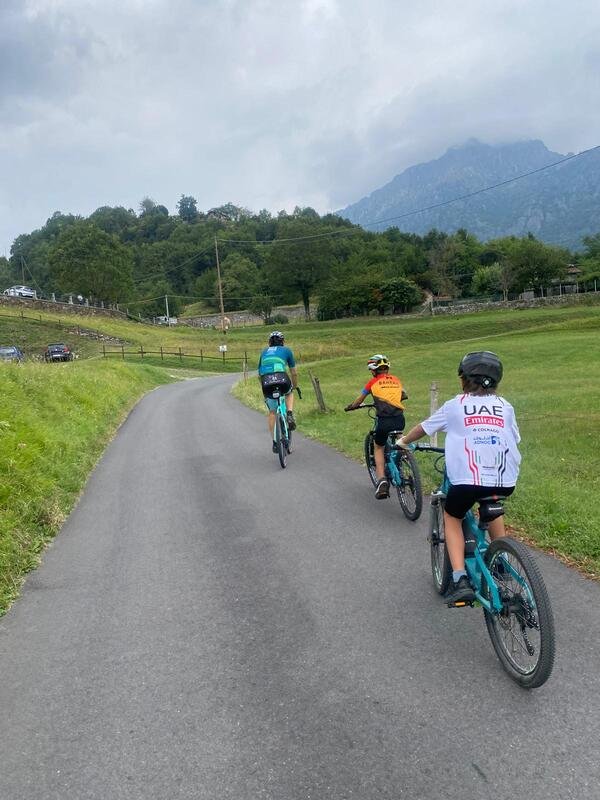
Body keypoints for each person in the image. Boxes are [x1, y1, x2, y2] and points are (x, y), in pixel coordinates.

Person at [398, 351, 521, 604]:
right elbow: (514, 438)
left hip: (466, 480)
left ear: (464, 380)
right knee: (493, 508)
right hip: (505, 479)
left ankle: (459, 579)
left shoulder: (456, 405)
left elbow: (423, 428)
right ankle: (502, 561)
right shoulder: (505, 406)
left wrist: (403, 441)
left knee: (452, 516)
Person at [345, 354, 407, 500]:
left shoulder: (372, 382)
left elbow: (359, 400)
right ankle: (405, 458)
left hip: (384, 421)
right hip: (400, 419)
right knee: (400, 440)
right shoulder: (396, 380)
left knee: (378, 447)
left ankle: (382, 480)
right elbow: (404, 394)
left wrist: (351, 407)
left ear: (373, 371)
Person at [258, 331, 298, 452]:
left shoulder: (264, 352)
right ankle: (289, 414)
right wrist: (295, 386)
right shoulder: (287, 350)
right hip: (281, 378)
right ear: (282, 342)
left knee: (272, 412)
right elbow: (294, 372)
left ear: (269, 342)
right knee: (289, 392)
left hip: (266, 380)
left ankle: (275, 443)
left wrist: (264, 388)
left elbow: (259, 374)